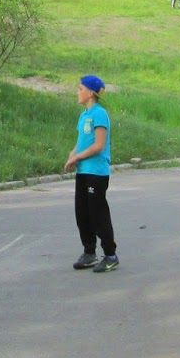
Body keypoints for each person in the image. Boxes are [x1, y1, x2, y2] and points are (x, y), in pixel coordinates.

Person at [67, 74, 117, 273]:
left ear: (90, 93)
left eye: (80, 89)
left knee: (98, 214)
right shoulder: (84, 115)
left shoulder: (99, 114)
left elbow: (98, 145)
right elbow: (81, 142)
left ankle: (111, 255)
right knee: (82, 214)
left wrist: (77, 157)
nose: (77, 92)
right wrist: (72, 155)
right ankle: (89, 253)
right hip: (83, 171)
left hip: (96, 172)